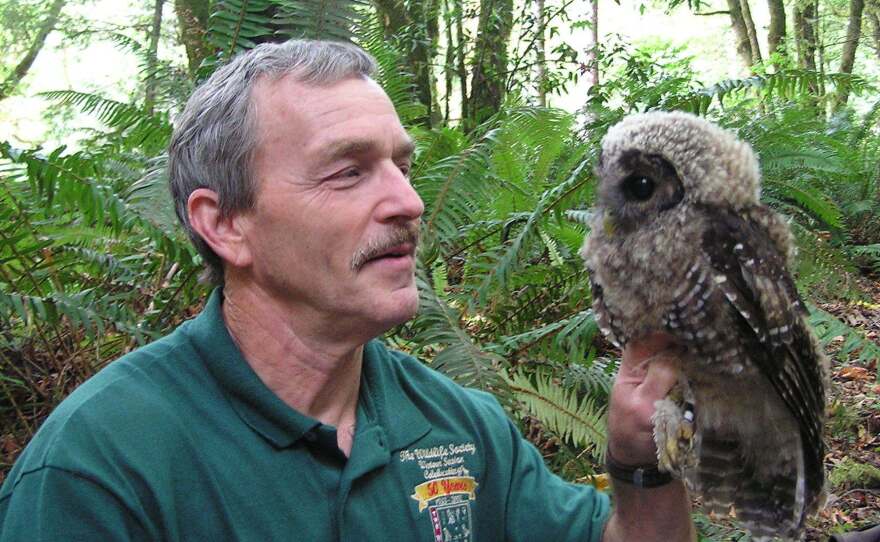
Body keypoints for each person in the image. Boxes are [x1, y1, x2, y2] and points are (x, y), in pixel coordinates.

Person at [0, 40, 695, 541]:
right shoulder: (102, 466)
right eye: (348, 172)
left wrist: (643, 465)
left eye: (401, 165)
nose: (409, 202)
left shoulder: (459, 426)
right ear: (225, 225)